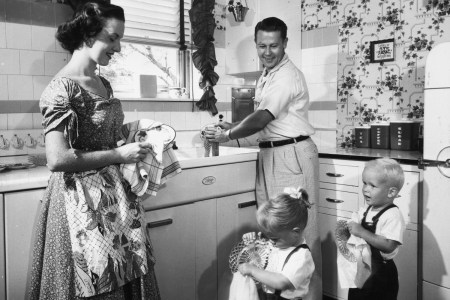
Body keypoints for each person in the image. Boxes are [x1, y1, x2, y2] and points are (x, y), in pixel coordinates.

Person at [29, 2, 161, 299]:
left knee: (124, 271)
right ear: (89, 34)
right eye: (112, 38)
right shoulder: (61, 88)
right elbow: (57, 159)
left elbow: (107, 138)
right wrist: (118, 155)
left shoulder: (103, 83)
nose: (118, 47)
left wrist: (139, 137)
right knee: (92, 280)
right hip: (79, 202)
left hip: (115, 200)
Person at [205, 16, 322, 299]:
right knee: (275, 231)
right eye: (261, 46)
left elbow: (261, 119)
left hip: (291, 154)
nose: (267, 52)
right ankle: (277, 291)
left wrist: (228, 134)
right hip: (272, 153)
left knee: (300, 235)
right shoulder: (267, 75)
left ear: (285, 44)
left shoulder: (286, 76)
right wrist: (231, 130)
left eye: (273, 46)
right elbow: (266, 127)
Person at [239, 187, 315, 300]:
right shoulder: (276, 245)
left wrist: (252, 270)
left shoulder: (302, 257)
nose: (271, 242)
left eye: (275, 239)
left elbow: (281, 282)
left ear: (295, 233)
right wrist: (250, 246)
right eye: (268, 237)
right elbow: (246, 262)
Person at [347, 158, 406, 300]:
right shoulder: (368, 209)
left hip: (381, 275)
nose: (366, 189)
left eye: (372, 186)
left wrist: (361, 231)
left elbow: (389, 245)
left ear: (391, 192)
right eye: (364, 183)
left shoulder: (393, 215)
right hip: (362, 269)